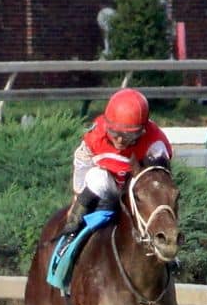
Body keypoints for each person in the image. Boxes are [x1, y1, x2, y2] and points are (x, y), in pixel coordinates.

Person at [60, 88, 172, 239]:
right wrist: (78, 198)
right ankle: (72, 230)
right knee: (96, 177)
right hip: (106, 188)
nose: (120, 140)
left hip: (137, 191)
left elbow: (159, 183)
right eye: (115, 133)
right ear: (107, 126)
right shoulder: (96, 134)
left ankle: (167, 248)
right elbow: (82, 163)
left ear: (142, 131)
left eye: (129, 135)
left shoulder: (155, 144)